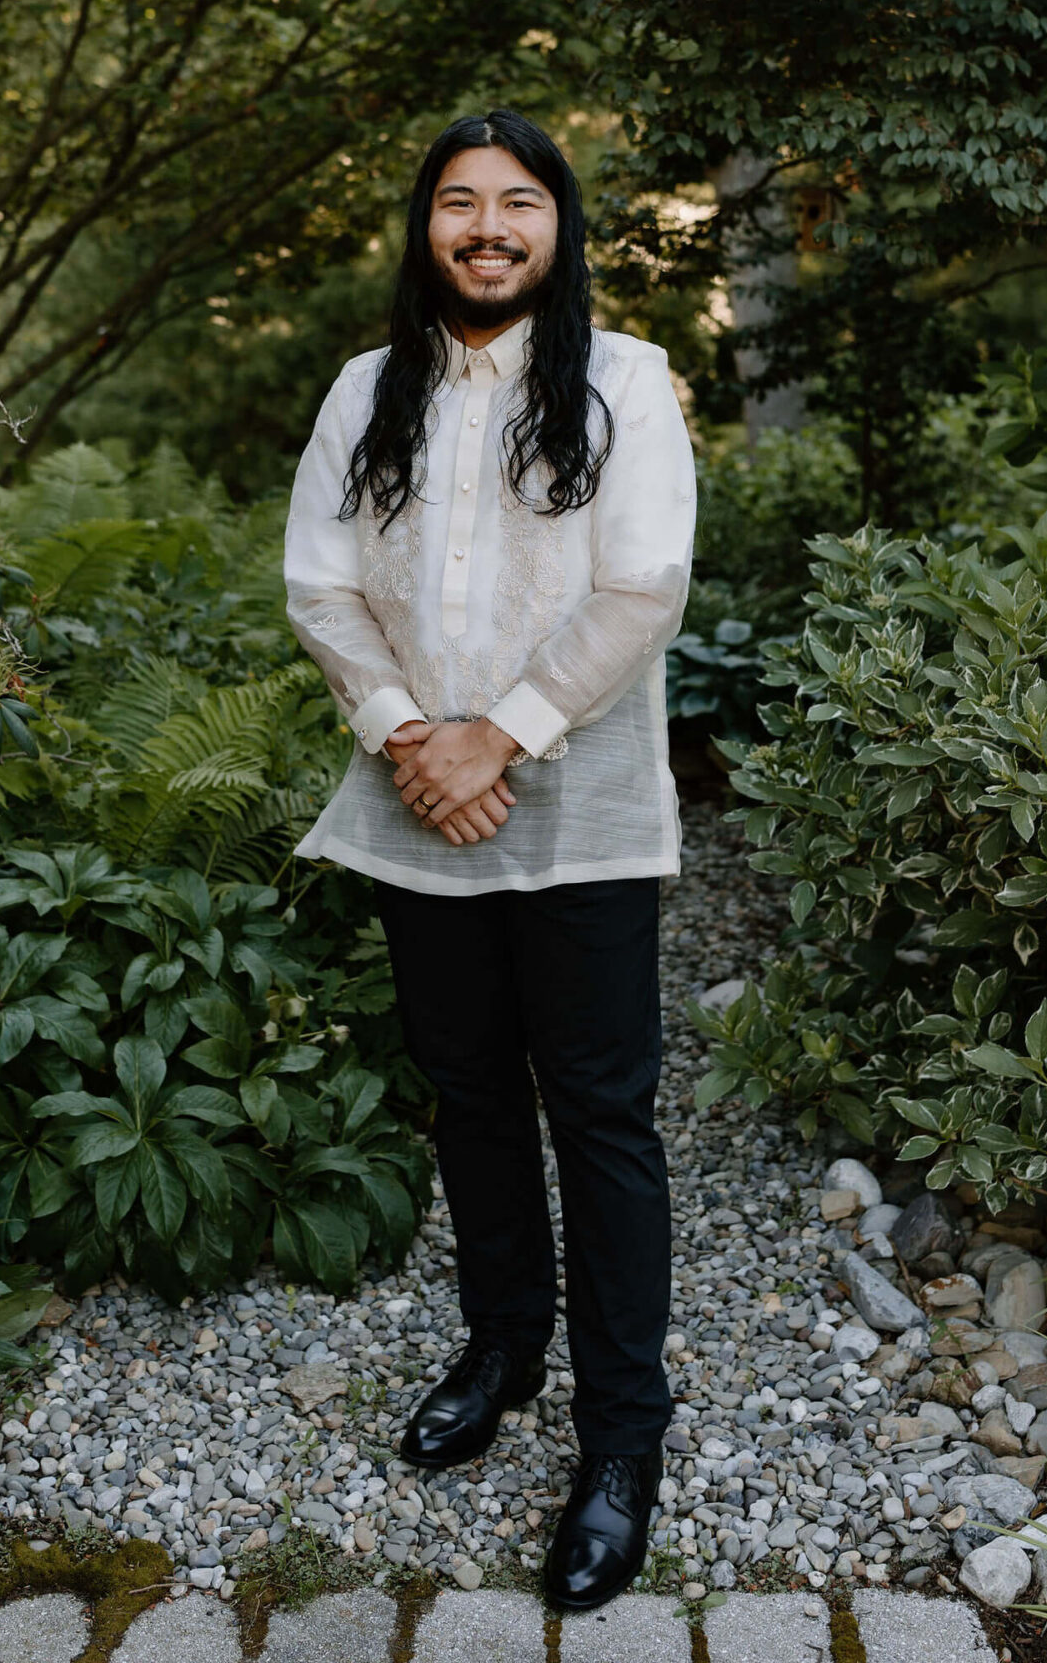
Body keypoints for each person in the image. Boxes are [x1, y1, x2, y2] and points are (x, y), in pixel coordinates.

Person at [283, 109, 696, 1612]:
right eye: (459, 204)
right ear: (426, 231)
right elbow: (319, 580)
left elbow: (644, 577)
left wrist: (498, 737)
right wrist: (411, 738)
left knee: (600, 1113)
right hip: (416, 797)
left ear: (558, 230)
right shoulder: (361, 391)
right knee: (467, 1092)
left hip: (575, 803)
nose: (488, 228)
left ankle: (621, 1442)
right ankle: (503, 1344)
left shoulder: (628, 381)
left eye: (519, 204)